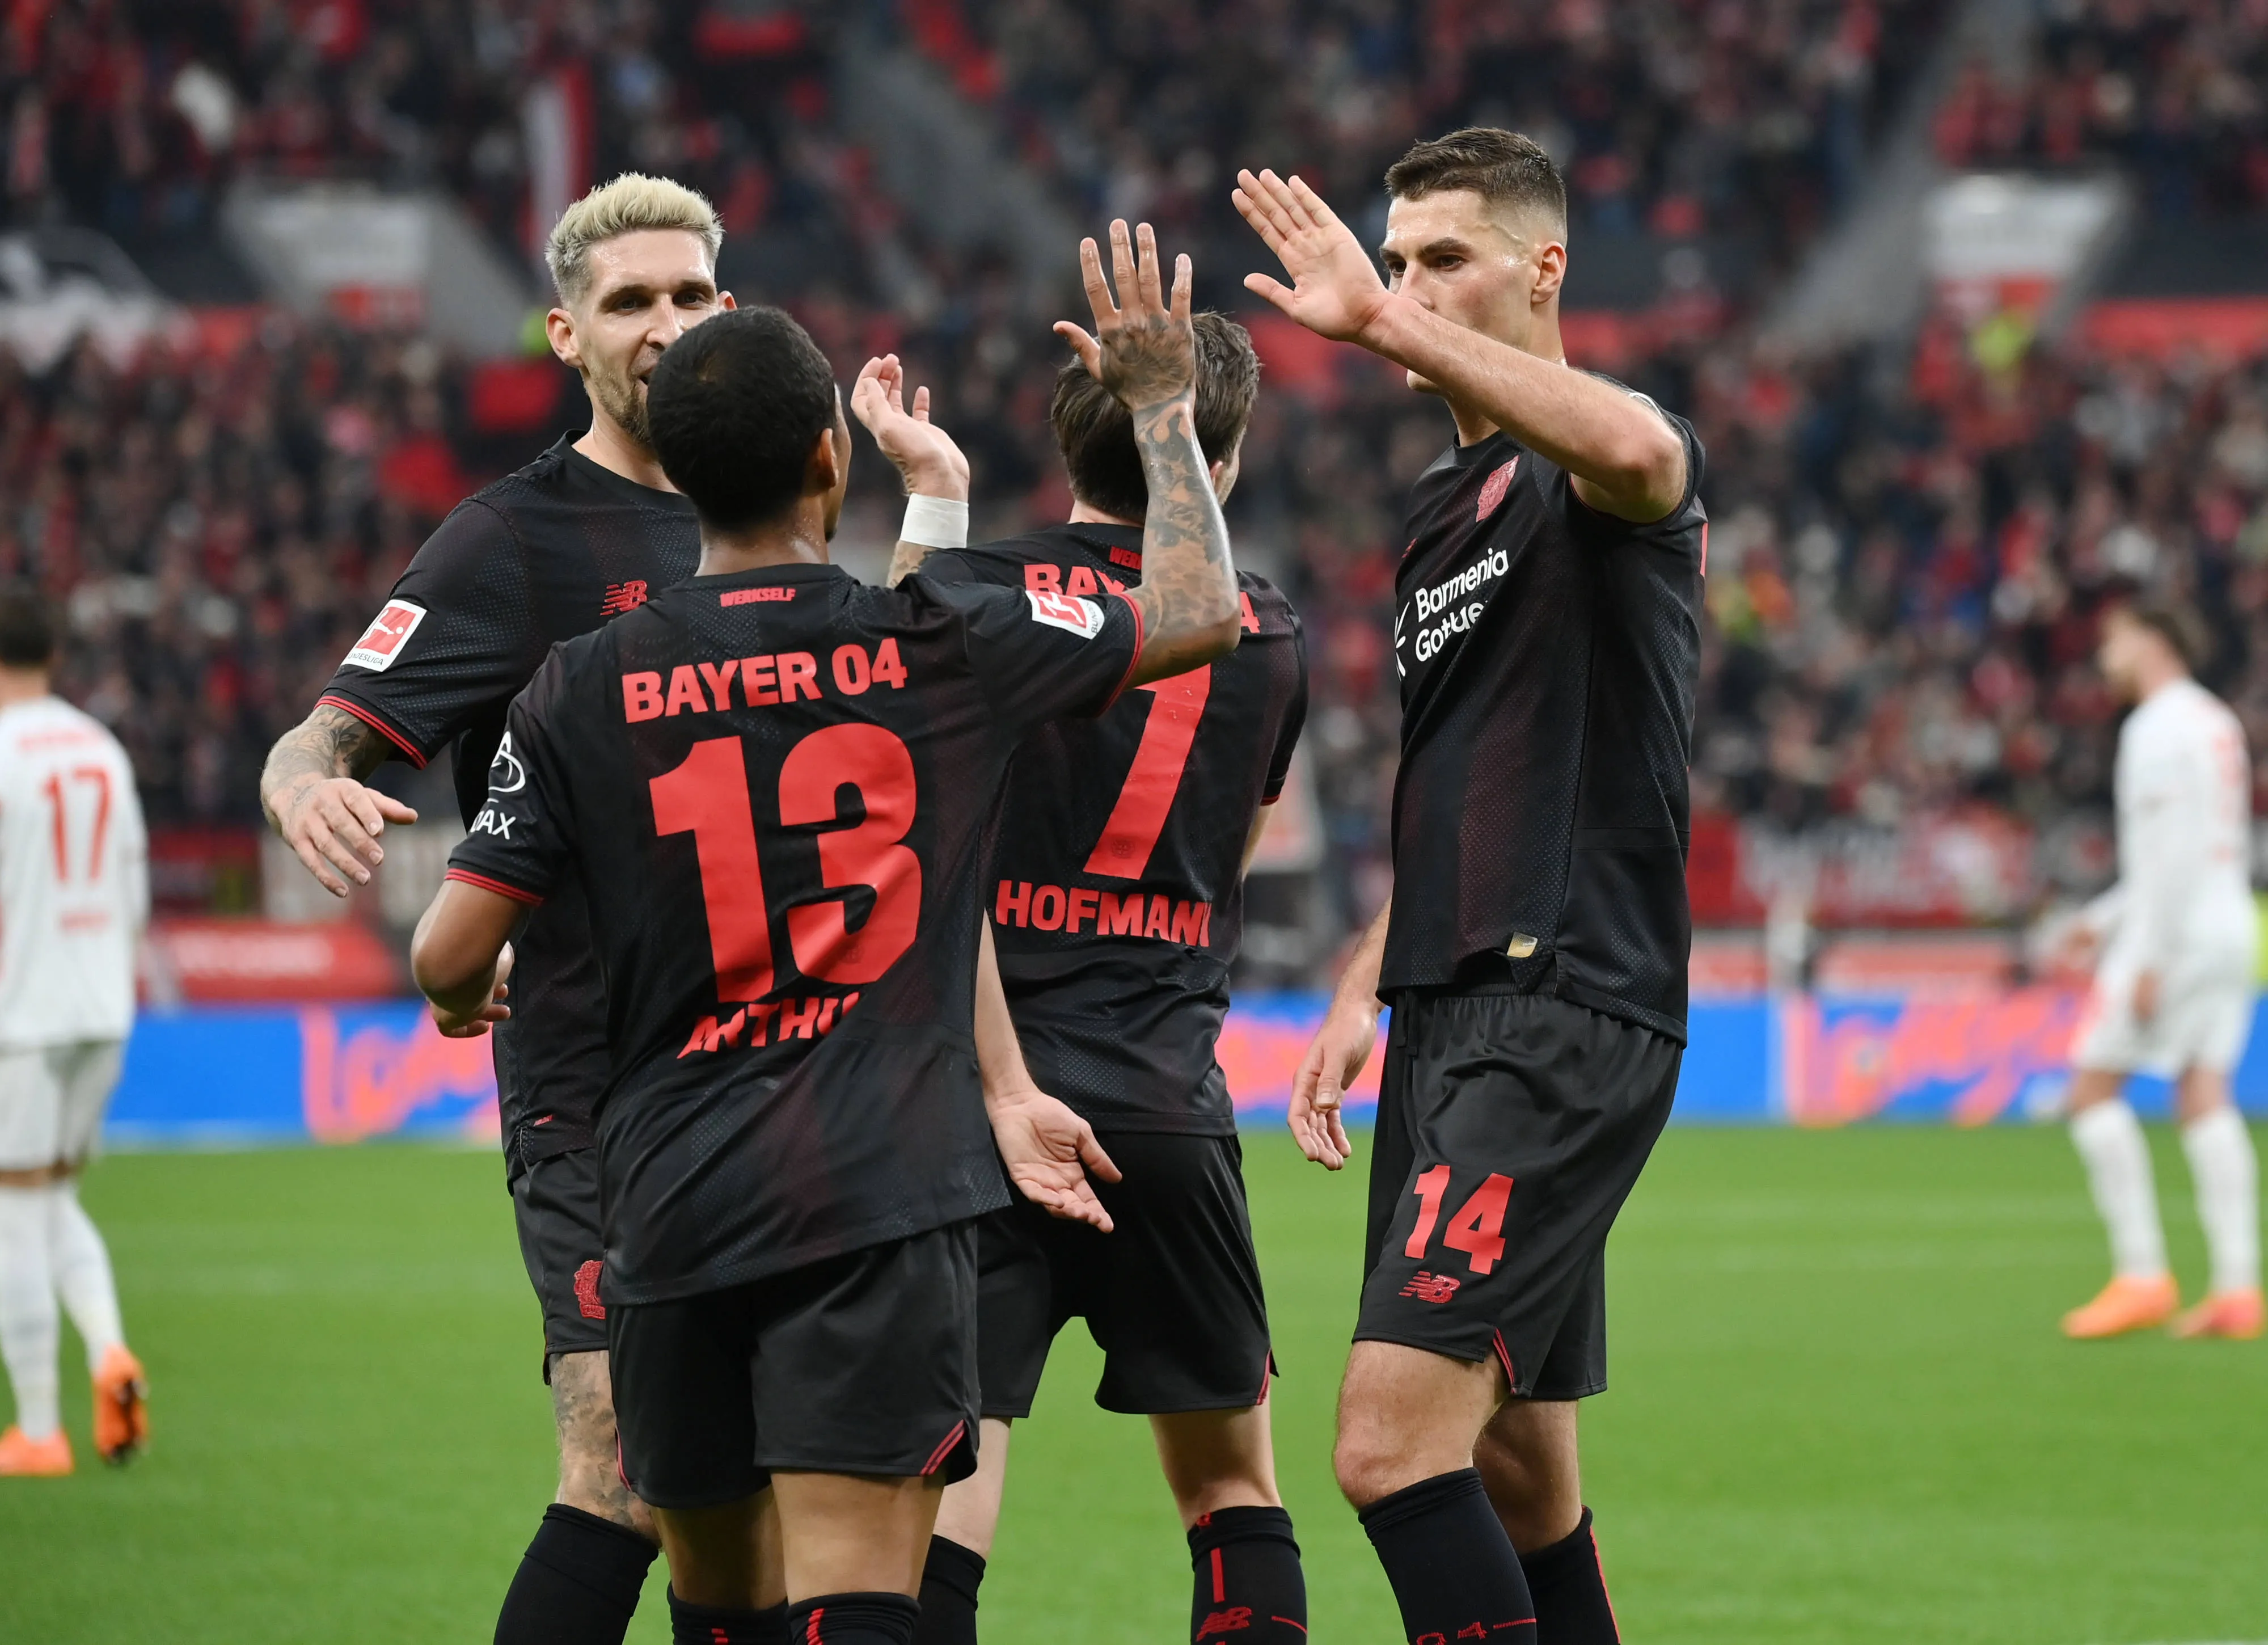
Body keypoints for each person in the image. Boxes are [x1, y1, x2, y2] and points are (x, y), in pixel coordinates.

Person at [409, 225, 1242, 1645]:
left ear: (675, 471)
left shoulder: (575, 685)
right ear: (829, 461)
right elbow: (1198, 610)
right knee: (861, 1593)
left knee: (715, 1605)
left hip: (669, 1201)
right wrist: (1162, 408)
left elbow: (444, 953)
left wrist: (468, 982)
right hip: (876, 1191)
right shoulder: (942, 638)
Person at [1236, 128, 1705, 1645]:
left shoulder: (1587, 470)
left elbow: (1647, 454)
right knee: (1516, 1471)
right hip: (1451, 1011)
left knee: (1383, 1447)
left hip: (1553, 1004)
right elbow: (1452, 777)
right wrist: (1369, 976)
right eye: (1399, 257)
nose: (1406, 282)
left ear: (1541, 266)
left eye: (1443, 256)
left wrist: (1378, 322)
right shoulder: (1447, 507)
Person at [257, 173, 738, 1644]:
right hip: (592, 1079)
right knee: (619, 1468)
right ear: (562, 332)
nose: (665, 326)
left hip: (780, 1071)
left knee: (759, 1500)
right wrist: (304, 779)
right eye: (628, 302)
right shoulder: (511, 540)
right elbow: (322, 728)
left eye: (689, 296)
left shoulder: (780, 499)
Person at [873, 316, 1314, 1645]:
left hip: (979, 1104)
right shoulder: (1270, 637)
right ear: (1216, 463)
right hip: (1167, 1104)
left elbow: (883, 729)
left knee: (943, 1489)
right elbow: (1226, 865)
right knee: (1233, 1484)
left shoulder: (980, 597)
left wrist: (931, 503)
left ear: (1067, 438)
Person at [0, 583, 151, 1478]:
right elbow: (130, 890)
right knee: (53, 1196)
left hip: (20, 1017)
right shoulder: (100, 747)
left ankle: (37, 1430)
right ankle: (108, 1352)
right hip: (102, 1008)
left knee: (14, 1213)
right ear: (55, 656)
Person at [2054, 599, 2262, 1341]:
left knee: (2089, 1091)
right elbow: (2198, 846)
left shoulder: (2154, 728)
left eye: (2111, 641)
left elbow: (2166, 855)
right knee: (2204, 1092)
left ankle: (2141, 1274)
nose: (2103, 657)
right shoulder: (2214, 722)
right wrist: (2101, 919)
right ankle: (2238, 1288)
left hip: (2174, 933)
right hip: (2229, 921)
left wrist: (2146, 953)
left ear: (2150, 640)